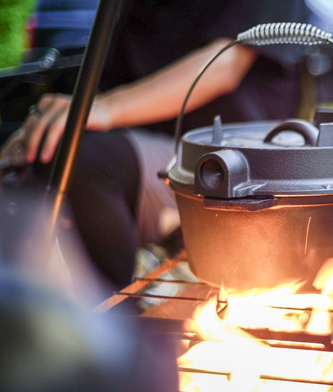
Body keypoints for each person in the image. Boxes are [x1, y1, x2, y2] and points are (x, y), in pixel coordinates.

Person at [0, 0, 309, 293]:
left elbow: (225, 63)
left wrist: (106, 108)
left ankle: (117, 331)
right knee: (40, 151)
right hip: (145, 143)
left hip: (233, 160)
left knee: (81, 161)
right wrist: (44, 126)